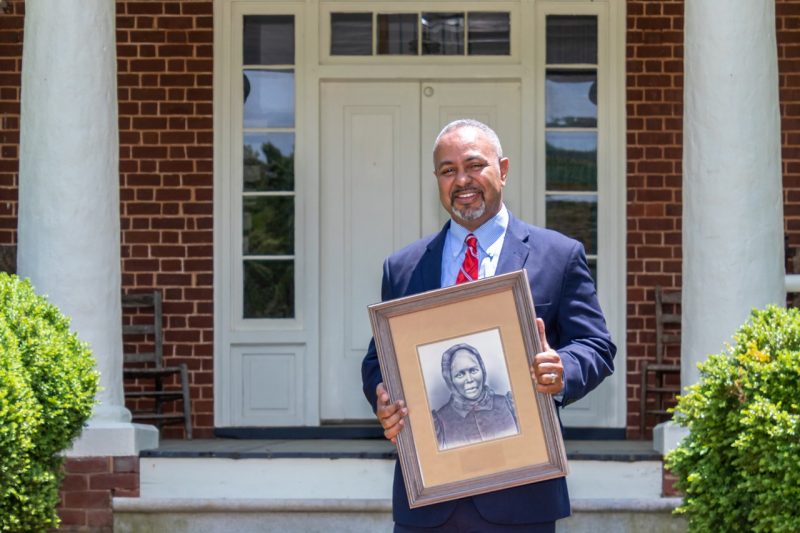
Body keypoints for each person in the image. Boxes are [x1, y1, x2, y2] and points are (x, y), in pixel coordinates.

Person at [361, 118, 616, 532]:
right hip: (428, 504)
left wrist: (562, 369)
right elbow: (378, 360)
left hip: (521, 499)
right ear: (437, 180)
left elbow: (596, 345)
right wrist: (382, 399)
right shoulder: (404, 268)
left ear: (504, 169)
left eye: (474, 165)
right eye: (448, 170)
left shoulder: (559, 255)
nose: (462, 180)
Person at [432, 342, 519, 451]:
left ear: (482, 370)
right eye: (460, 374)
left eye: (473, 370)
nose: (469, 379)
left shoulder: (509, 404)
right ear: (450, 380)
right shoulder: (439, 422)